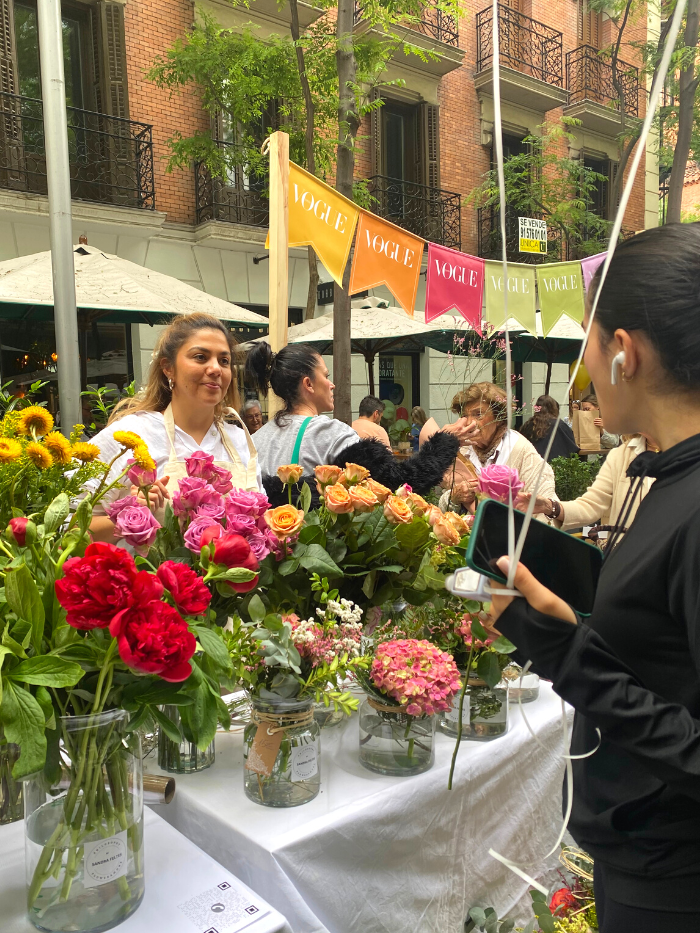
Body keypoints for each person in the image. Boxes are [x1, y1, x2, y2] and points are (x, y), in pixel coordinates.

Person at [488, 224, 700, 932]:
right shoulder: (660, 472)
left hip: (674, 874)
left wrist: (566, 651)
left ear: (624, 352)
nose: (582, 359)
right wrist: (567, 623)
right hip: (638, 847)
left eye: (588, 335)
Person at [89, 313, 262, 542]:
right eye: (200, 357)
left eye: (224, 361)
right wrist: (126, 515)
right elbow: (71, 531)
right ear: (168, 368)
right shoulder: (130, 436)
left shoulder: (240, 440)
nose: (215, 368)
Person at [245, 341, 471, 502]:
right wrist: (445, 442)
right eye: (326, 375)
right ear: (309, 384)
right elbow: (397, 485)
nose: (332, 384)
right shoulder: (328, 433)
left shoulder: (253, 439)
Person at [433, 382, 557, 514]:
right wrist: (454, 497)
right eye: (464, 415)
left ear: (499, 417)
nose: (469, 422)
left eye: (478, 414)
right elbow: (444, 507)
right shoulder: (463, 450)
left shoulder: (521, 451)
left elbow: (545, 506)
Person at [517, 433, 658, 532]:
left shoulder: (679, 453)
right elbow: (590, 506)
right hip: (628, 563)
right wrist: (550, 507)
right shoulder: (621, 455)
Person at [520, 395, 579, 462]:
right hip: (556, 466)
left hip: (534, 464)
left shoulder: (528, 425)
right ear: (554, 409)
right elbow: (572, 449)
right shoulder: (559, 425)